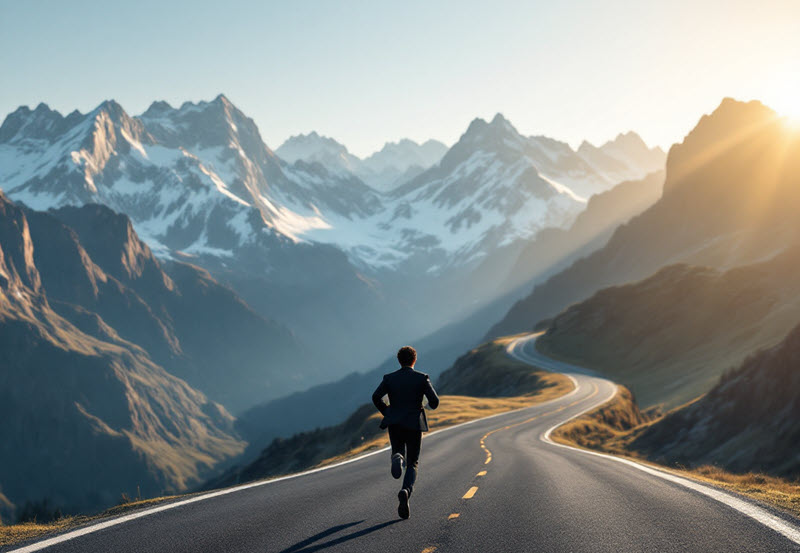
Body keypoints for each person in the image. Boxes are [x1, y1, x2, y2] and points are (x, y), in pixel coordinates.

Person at [371, 345, 440, 519]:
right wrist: (426, 405)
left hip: (394, 422)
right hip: (414, 423)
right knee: (413, 463)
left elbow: (376, 397)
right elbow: (435, 401)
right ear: (414, 360)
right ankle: (406, 491)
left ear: (399, 360)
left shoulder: (389, 378)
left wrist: (387, 412)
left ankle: (397, 457)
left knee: (398, 450)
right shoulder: (422, 378)